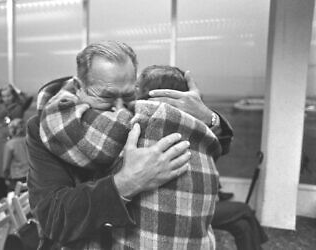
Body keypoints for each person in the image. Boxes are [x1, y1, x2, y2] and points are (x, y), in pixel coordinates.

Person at [27, 41, 233, 249]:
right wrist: (126, 183)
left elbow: (214, 148)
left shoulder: (141, 116)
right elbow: (54, 219)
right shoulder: (46, 128)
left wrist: (209, 118)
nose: (120, 109)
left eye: (127, 96)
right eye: (106, 96)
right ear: (80, 87)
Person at [0, 84, 33, 178]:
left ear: (13, 95)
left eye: (9, 96)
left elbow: (29, 98)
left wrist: (17, 90)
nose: (6, 98)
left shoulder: (20, 105)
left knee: (17, 161)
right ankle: (0, 181)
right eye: (4, 96)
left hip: (17, 137)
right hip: (1, 137)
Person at [3, 118, 29, 191]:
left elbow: (6, 166)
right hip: (31, 175)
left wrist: (6, 177)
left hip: (17, 178)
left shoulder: (10, 144)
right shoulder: (29, 140)